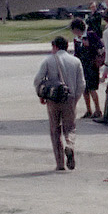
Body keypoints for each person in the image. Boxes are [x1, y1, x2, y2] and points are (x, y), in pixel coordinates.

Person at [33, 36, 84, 171]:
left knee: (55, 130)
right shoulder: (76, 61)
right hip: (70, 98)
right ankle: (70, 145)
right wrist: (75, 98)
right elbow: (81, 84)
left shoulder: (48, 61)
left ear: (55, 46)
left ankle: (60, 163)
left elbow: (37, 80)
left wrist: (42, 94)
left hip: (53, 100)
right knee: (70, 127)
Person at [69, 17, 103, 119]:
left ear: (77, 29)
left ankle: (98, 110)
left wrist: (90, 45)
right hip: (82, 66)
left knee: (92, 89)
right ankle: (88, 110)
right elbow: (76, 53)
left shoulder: (90, 35)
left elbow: (100, 47)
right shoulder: (76, 39)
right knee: (85, 89)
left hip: (92, 65)